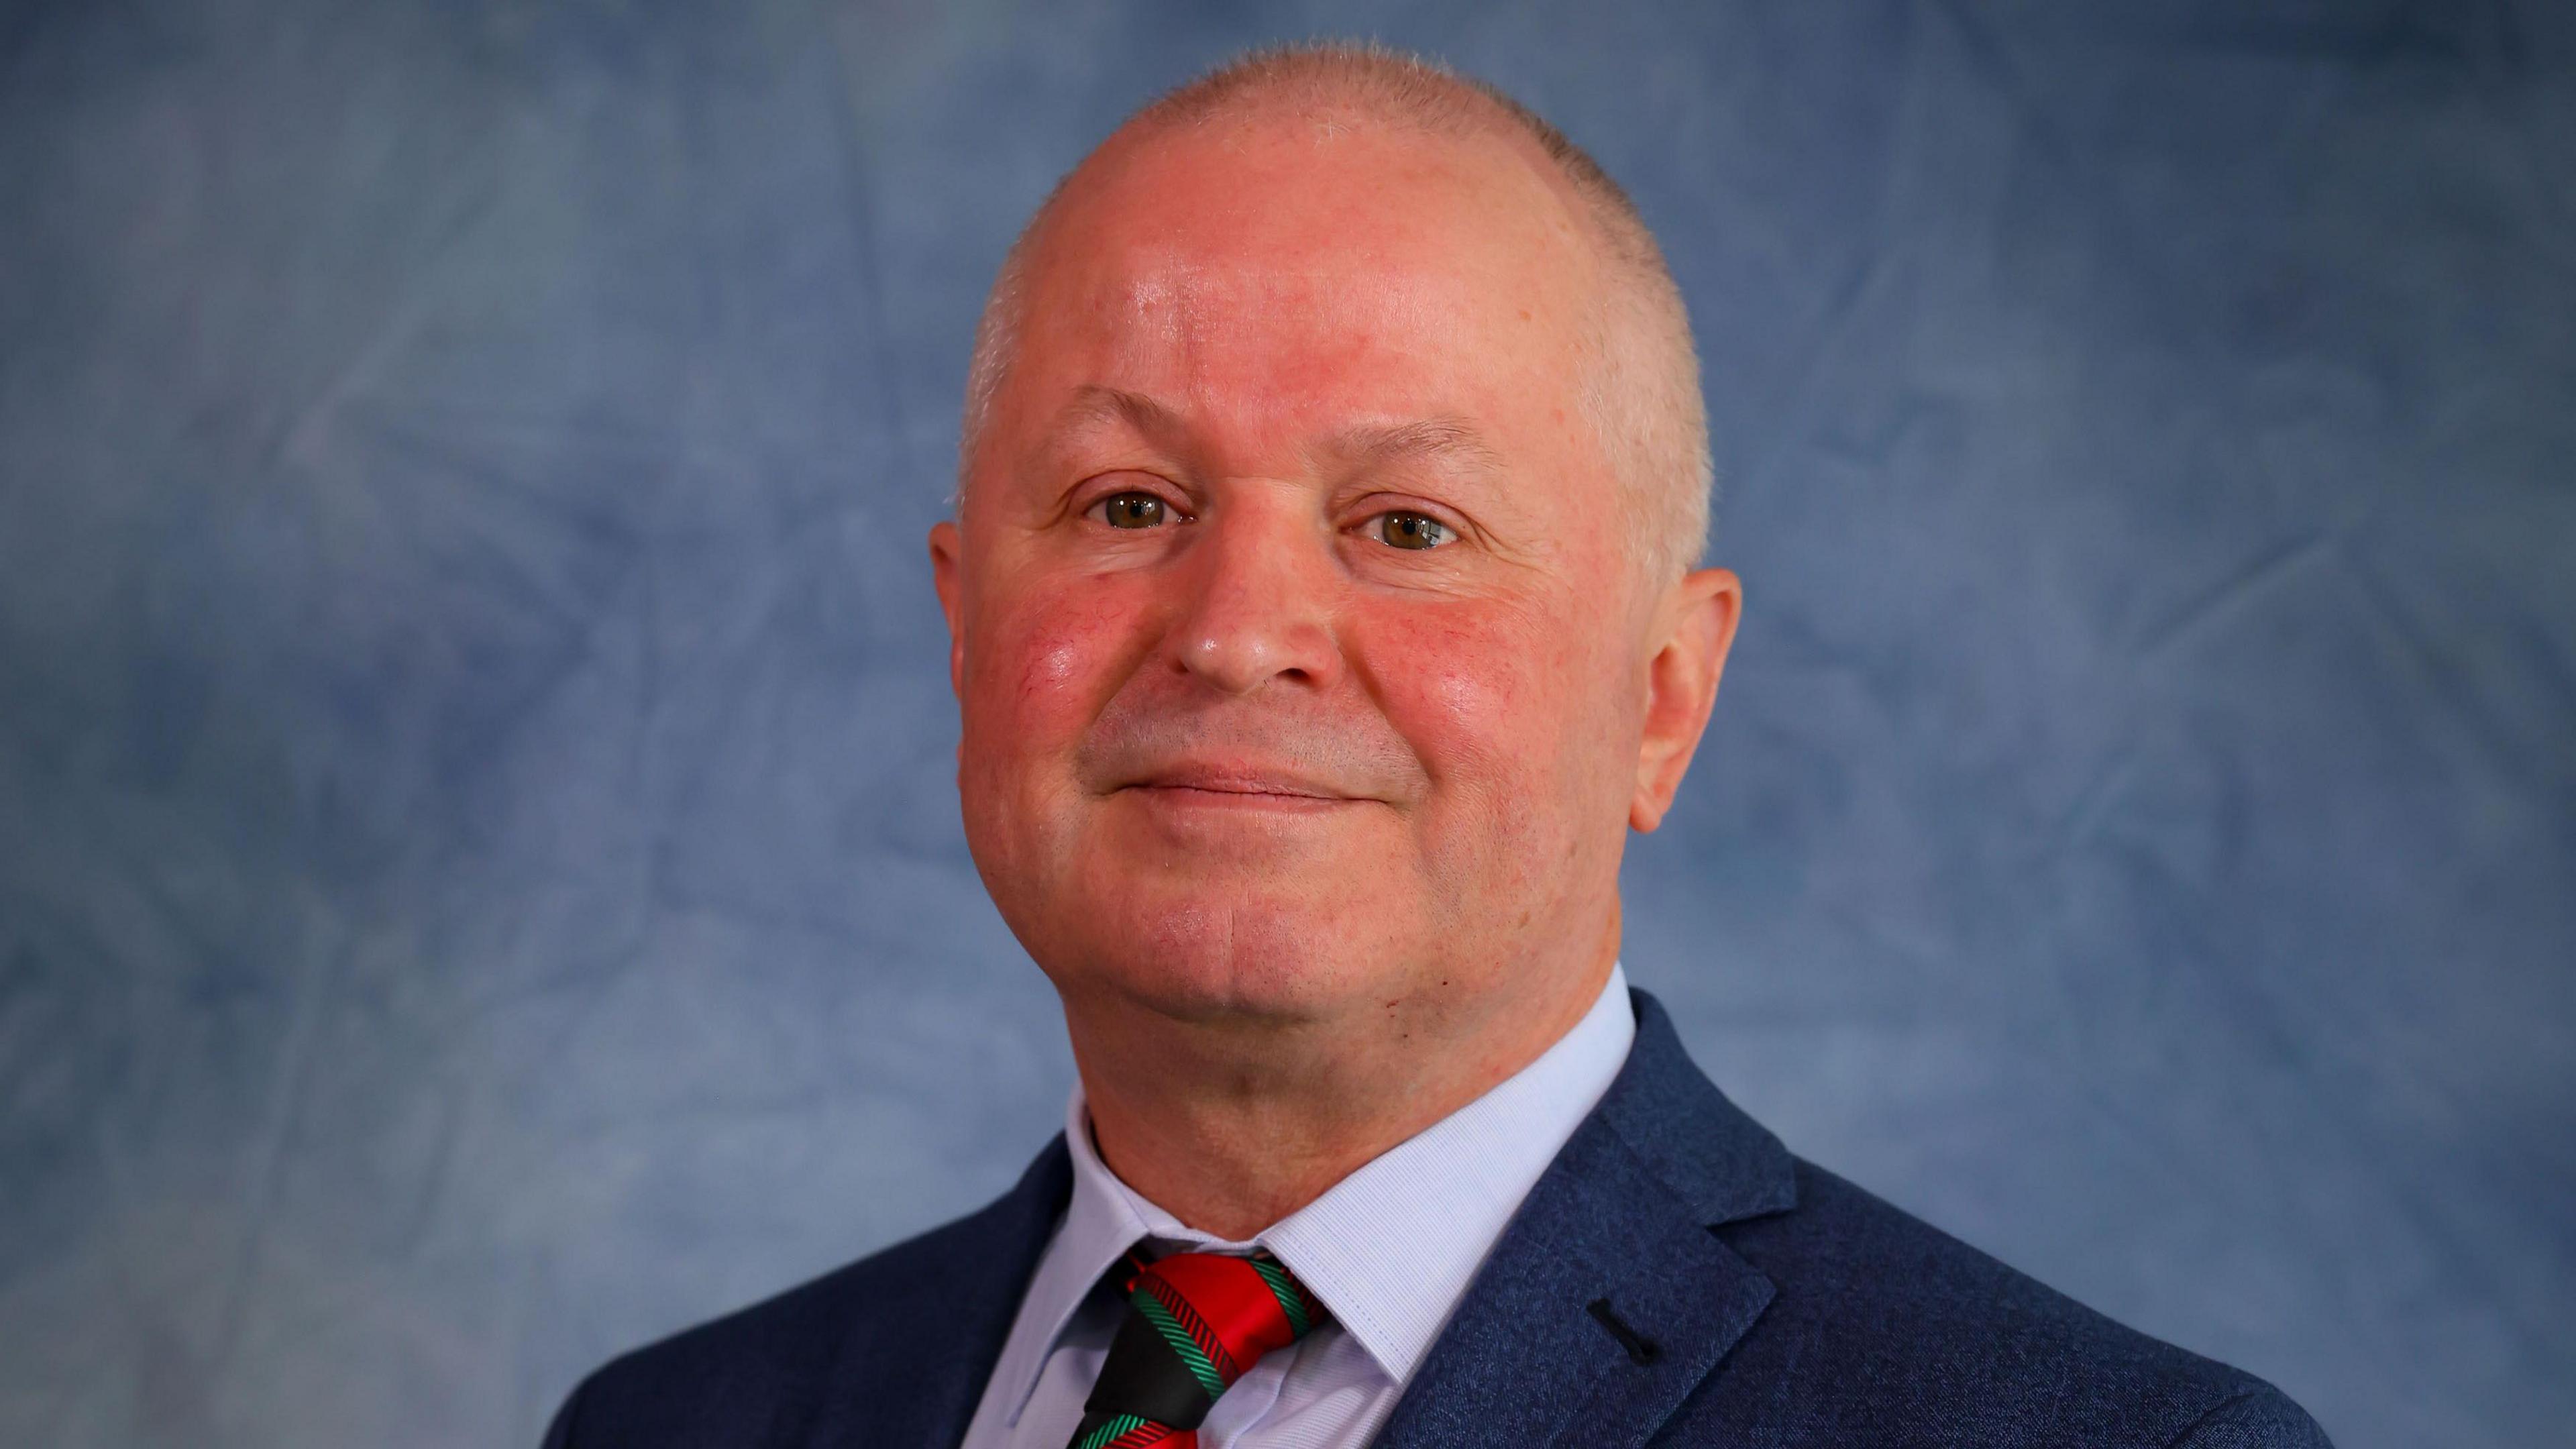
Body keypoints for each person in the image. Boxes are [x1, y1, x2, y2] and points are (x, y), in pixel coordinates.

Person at [541, 42, 2330, 1449]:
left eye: (1408, 526)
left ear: (1661, 699)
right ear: (965, 628)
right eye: (1128, 500)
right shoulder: (670, 1428)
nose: (1237, 630)